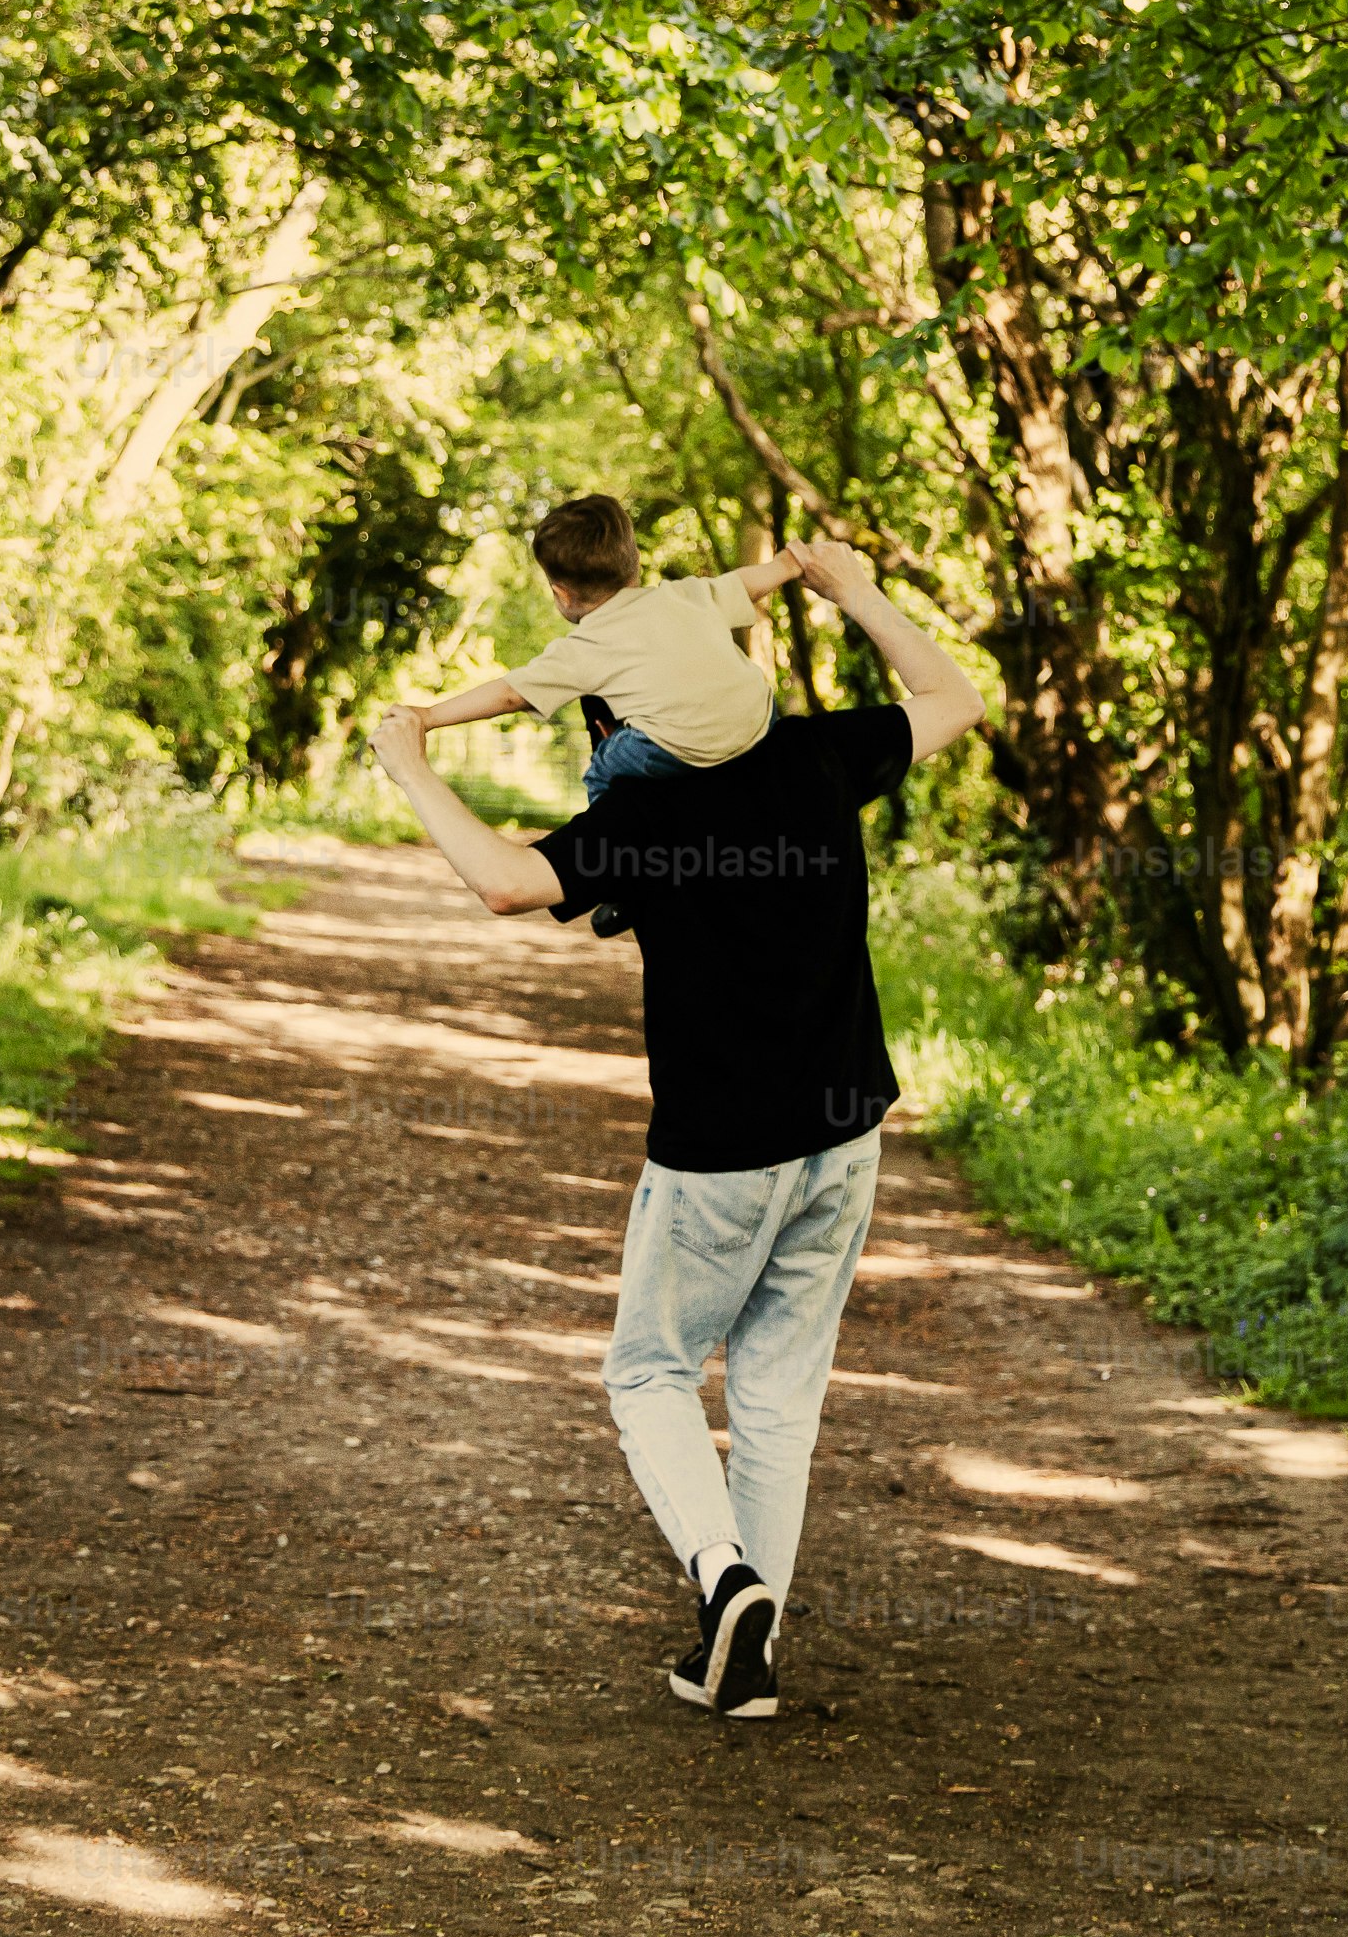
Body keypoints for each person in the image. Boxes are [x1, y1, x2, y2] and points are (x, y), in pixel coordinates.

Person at [369, 537, 997, 1718]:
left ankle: (723, 1584)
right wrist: (850, 589)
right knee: (775, 1393)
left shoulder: (647, 814)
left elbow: (508, 883)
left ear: (619, 716)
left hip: (719, 1153)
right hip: (843, 1130)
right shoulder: (812, 754)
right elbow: (952, 699)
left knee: (648, 1370)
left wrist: (410, 765)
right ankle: (746, 1665)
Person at [394, 496, 815, 932]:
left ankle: (618, 881)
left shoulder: (587, 645)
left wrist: (427, 715)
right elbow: (746, 582)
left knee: (602, 765)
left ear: (561, 593)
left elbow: (509, 695)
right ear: (634, 562)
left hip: (685, 747)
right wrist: (790, 562)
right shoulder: (685, 594)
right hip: (761, 722)